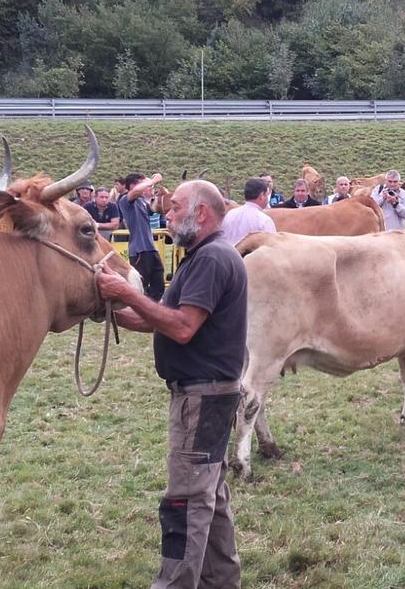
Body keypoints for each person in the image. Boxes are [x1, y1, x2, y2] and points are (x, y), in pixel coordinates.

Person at [95, 180, 246, 589]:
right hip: (212, 393)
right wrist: (106, 310)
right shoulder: (203, 256)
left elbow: (181, 328)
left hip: (202, 396)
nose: (167, 212)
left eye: (176, 206)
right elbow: (157, 317)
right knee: (209, 497)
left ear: (201, 213)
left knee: (185, 502)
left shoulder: (212, 258)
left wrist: (125, 290)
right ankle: (221, 581)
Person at [120, 172, 166, 301]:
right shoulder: (125, 200)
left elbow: (156, 209)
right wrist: (153, 181)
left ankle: (154, 312)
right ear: (133, 185)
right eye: (144, 184)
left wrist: (162, 197)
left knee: (158, 286)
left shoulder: (141, 202)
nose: (148, 187)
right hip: (139, 251)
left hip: (151, 249)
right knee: (141, 288)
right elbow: (136, 192)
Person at [222, 177, 277, 246]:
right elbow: (272, 246)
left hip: (228, 255)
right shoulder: (264, 220)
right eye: (266, 194)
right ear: (262, 196)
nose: (267, 198)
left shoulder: (230, 214)